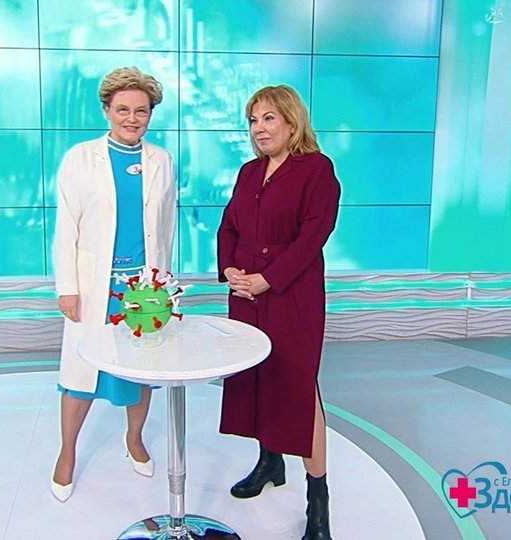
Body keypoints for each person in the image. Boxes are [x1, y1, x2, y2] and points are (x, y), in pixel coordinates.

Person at [216, 85, 340, 539]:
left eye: (268, 118)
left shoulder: (317, 169)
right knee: (257, 379)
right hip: (246, 295)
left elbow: (313, 237)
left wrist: (269, 278)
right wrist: (229, 268)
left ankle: (318, 504)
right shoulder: (249, 172)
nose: (259, 128)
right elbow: (229, 226)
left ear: (291, 122)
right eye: (253, 120)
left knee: (299, 390)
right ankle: (270, 463)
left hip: (291, 297)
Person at [51, 66, 177, 502]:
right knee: (80, 372)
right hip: (94, 286)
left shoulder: (161, 161)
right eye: (123, 109)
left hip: (143, 288)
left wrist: (164, 283)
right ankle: (67, 453)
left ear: (151, 115)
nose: (132, 118)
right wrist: (68, 287)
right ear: (107, 110)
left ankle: (134, 439)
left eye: (141, 110)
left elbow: (166, 228)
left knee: (141, 370)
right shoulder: (80, 158)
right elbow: (66, 227)